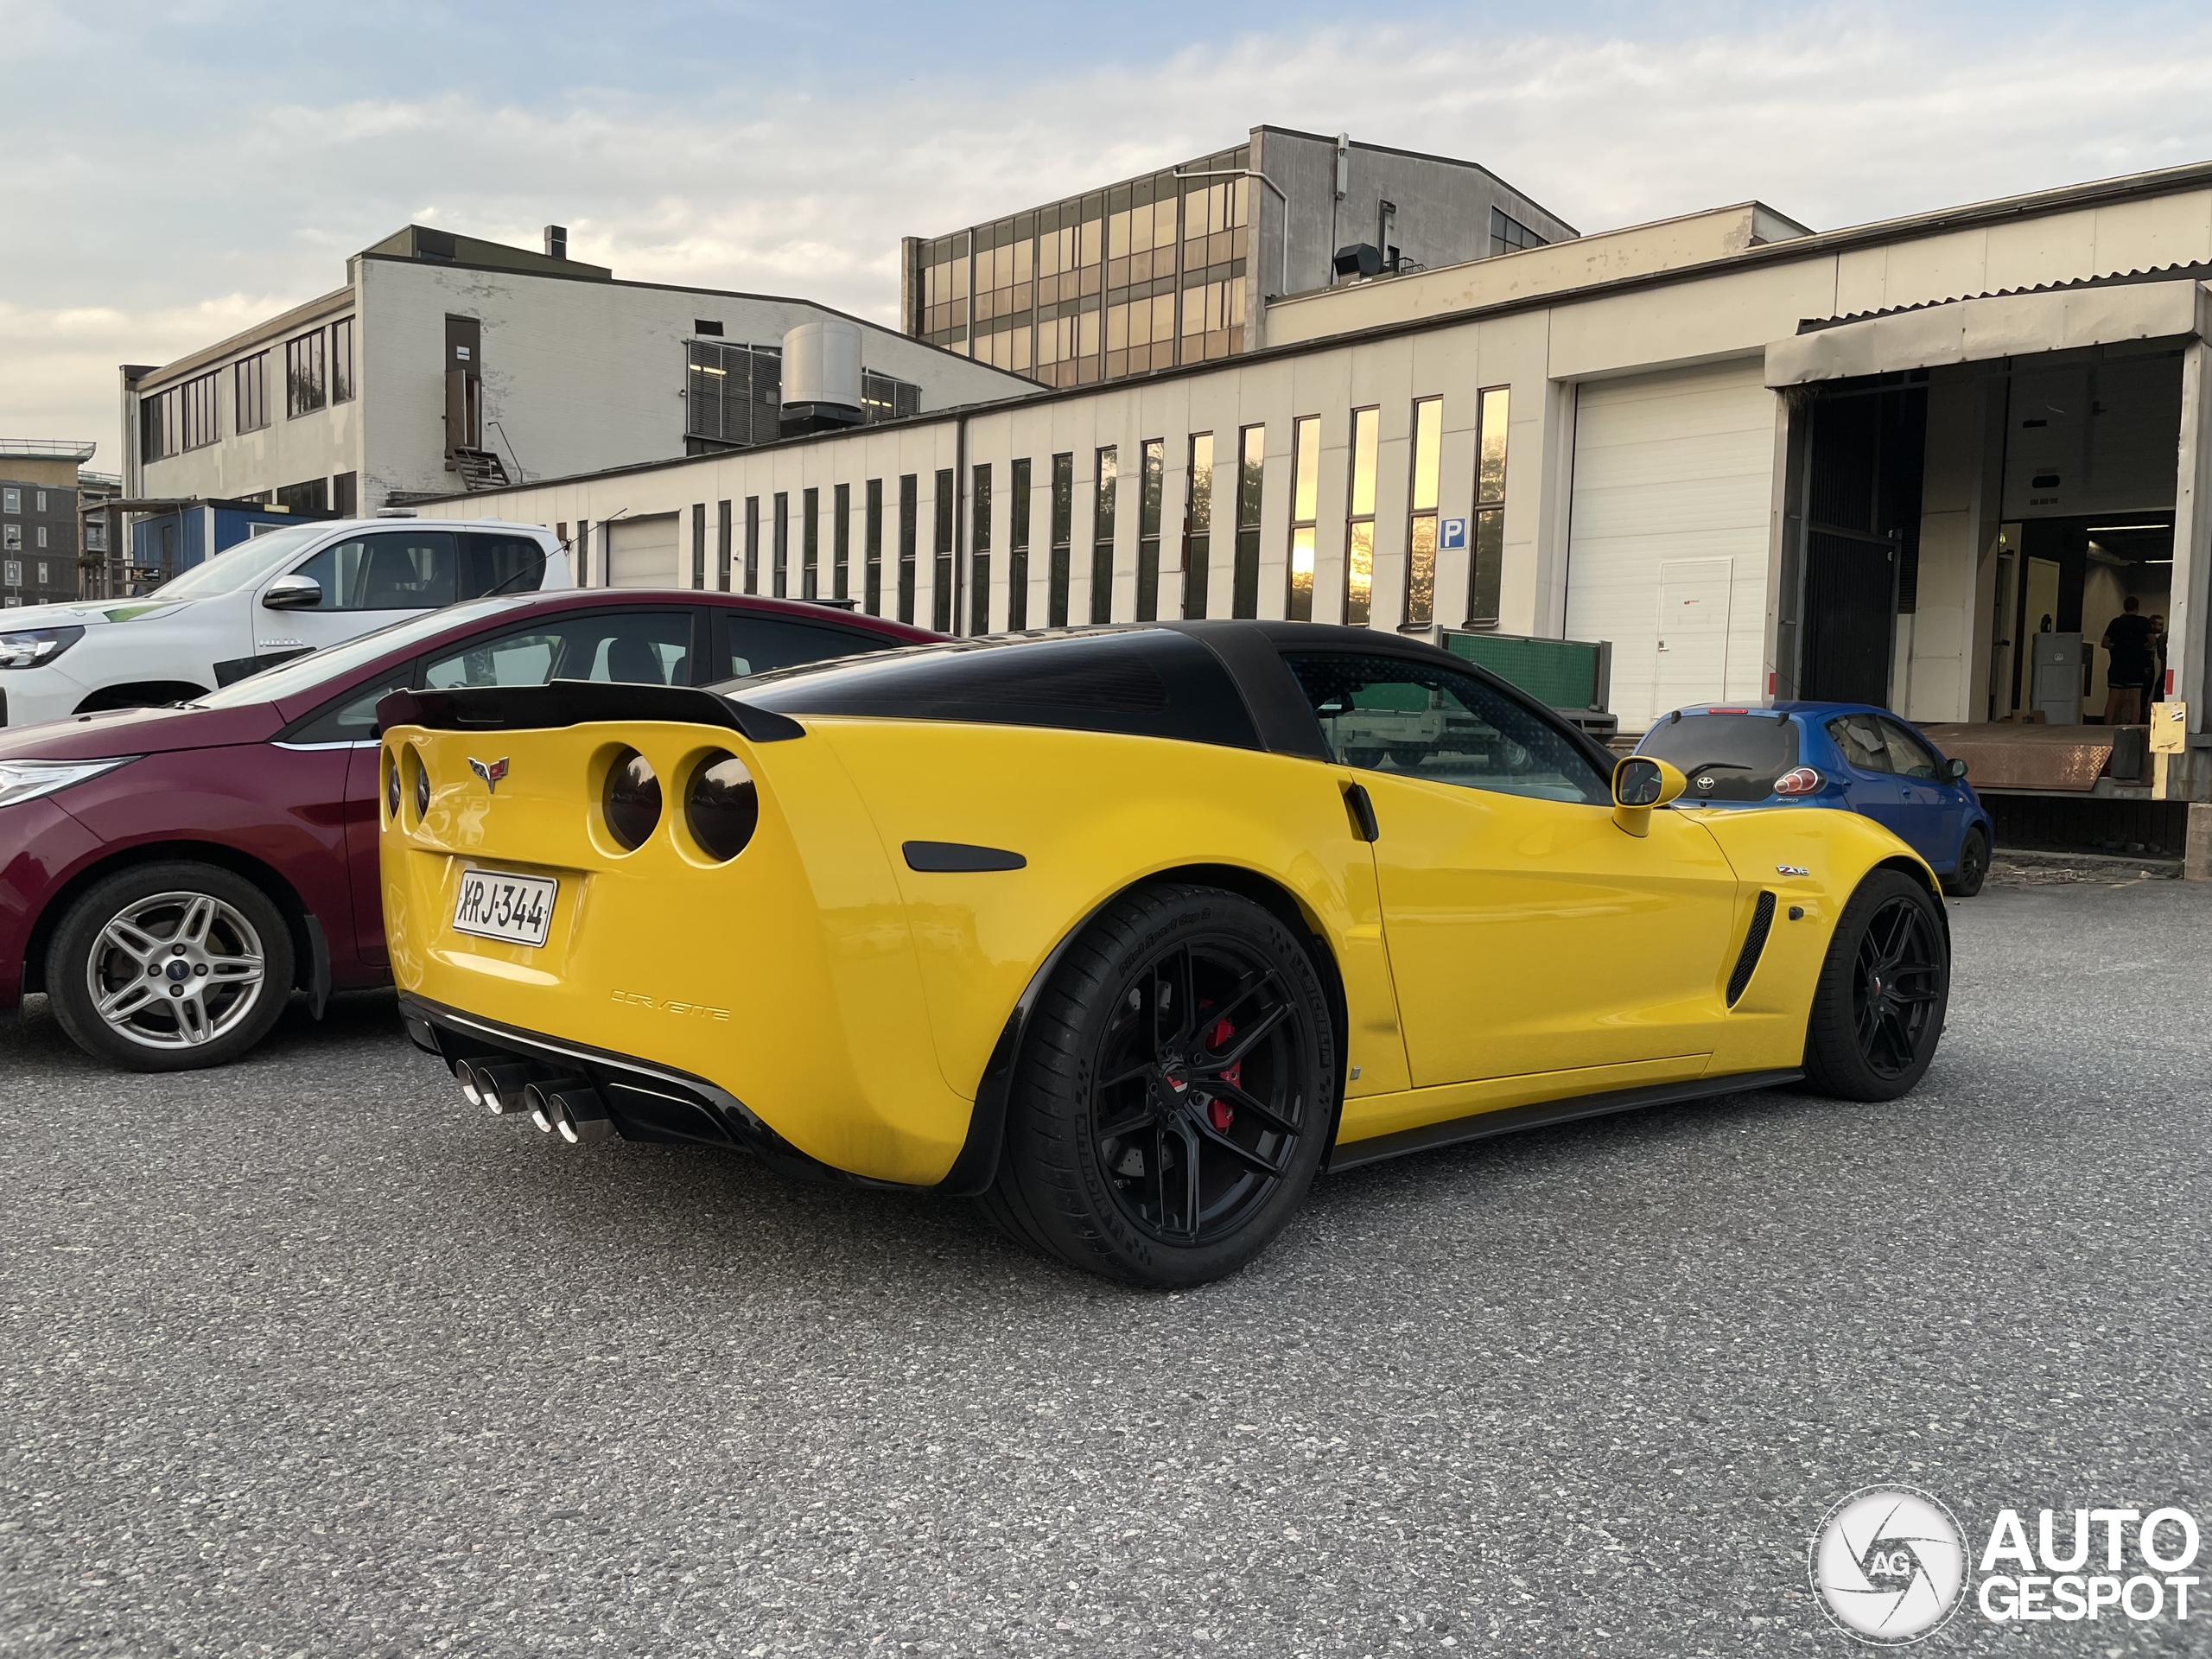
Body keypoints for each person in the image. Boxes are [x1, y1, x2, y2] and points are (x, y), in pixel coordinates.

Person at [2101, 596, 2154, 726]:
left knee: (2113, 698)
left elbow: (2104, 643)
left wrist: (2115, 647)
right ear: (2137, 608)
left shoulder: (2116, 622)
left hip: (2118, 662)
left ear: (2124, 607)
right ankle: (2134, 727)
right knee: (2135, 699)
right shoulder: (2143, 622)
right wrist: (2142, 648)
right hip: (2136, 663)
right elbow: (2152, 641)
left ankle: (2106, 726)